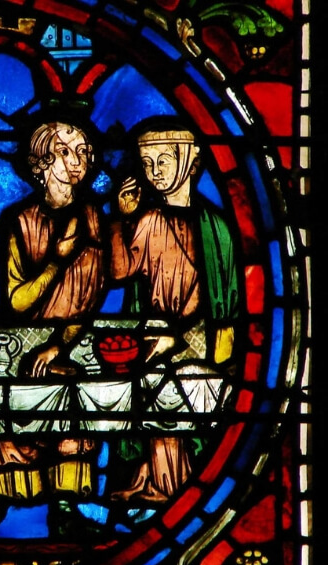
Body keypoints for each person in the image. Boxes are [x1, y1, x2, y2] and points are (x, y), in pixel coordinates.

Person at [0, 120, 106, 551]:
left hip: (75, 342)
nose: (77, 160)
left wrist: (61, 343)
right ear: (41, 162)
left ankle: (65, 509)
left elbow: (94, 299)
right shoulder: (20, 221)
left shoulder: (95, 217)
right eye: (65, 150)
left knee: (73, 392)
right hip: (20, 339)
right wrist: (58, 260)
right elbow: (18, 300)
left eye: (83, 150)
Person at [108, 120, 239, 502]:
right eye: (147, 163)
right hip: (152, 341)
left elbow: (227, 305)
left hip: (203, 345)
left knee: (180, 391)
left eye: (164, 159)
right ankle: (157, 482)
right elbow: (119, 272)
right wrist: (120, 217)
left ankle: (179, 486)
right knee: (148, 394)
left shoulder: (218, 229)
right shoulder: (149, 221)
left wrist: (183, 338)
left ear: (191, 160)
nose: (155, 172)